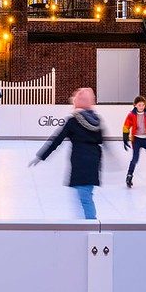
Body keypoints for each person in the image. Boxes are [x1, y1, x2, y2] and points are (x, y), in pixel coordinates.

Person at [29, 88, 103, 220]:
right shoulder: (96, 120)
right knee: (86, 195)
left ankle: (90, 226)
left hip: (80, 161)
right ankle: (86, 224)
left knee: (84, 198)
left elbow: (56, 140)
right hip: (94, 160)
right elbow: (101, 141)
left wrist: (40, 156)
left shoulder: (73, 121)